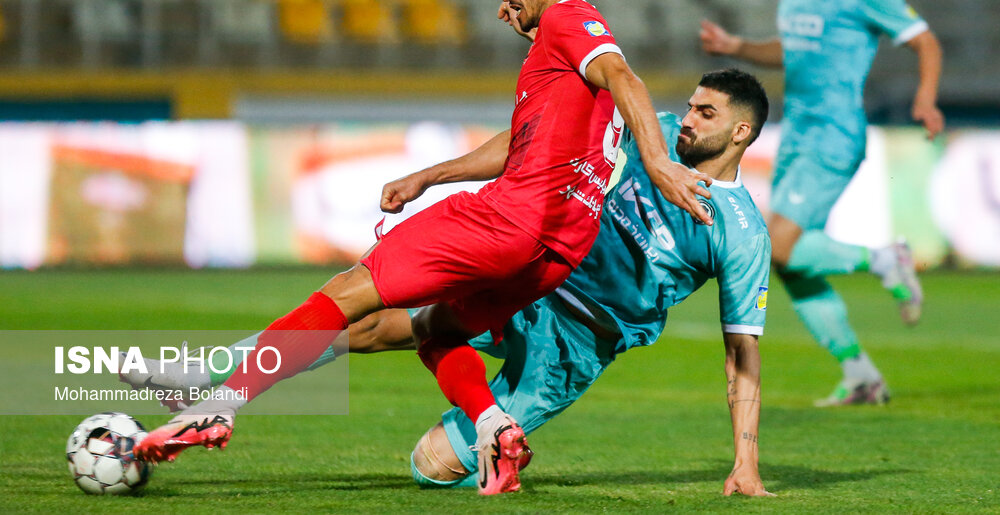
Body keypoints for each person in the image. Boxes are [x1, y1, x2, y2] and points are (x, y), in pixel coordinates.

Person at [135, 0, 714, 495]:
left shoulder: (572, 20)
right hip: (555, 254)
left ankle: (217, 403)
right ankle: (494, 428)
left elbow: (625, 75)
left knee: (347, 293)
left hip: (506, 220)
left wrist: (659, 163)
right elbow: (524, 141)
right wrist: (429, 176)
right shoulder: (563, 52)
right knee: (432, 331)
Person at [123, 69, 774, 497]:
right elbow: (532, 144)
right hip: (531, 280)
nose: (686, 119)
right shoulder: (647, 132)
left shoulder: (740, 230)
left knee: (430, 466)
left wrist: (744, 461)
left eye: (705, 113)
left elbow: (741, 351)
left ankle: (495, 435)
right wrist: (434, 175)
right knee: (365, 319)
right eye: (691, 106)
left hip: (576, 346)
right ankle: (208, 376)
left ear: (740, 132)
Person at [699, 0, 945, 406]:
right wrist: (736, 45)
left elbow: (924, 41)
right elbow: (793, 49)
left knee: (777, 246)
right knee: (789, 263)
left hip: (834, 132)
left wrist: (925, 100)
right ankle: (860, 375)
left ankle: (885, 258)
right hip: (797, 132)